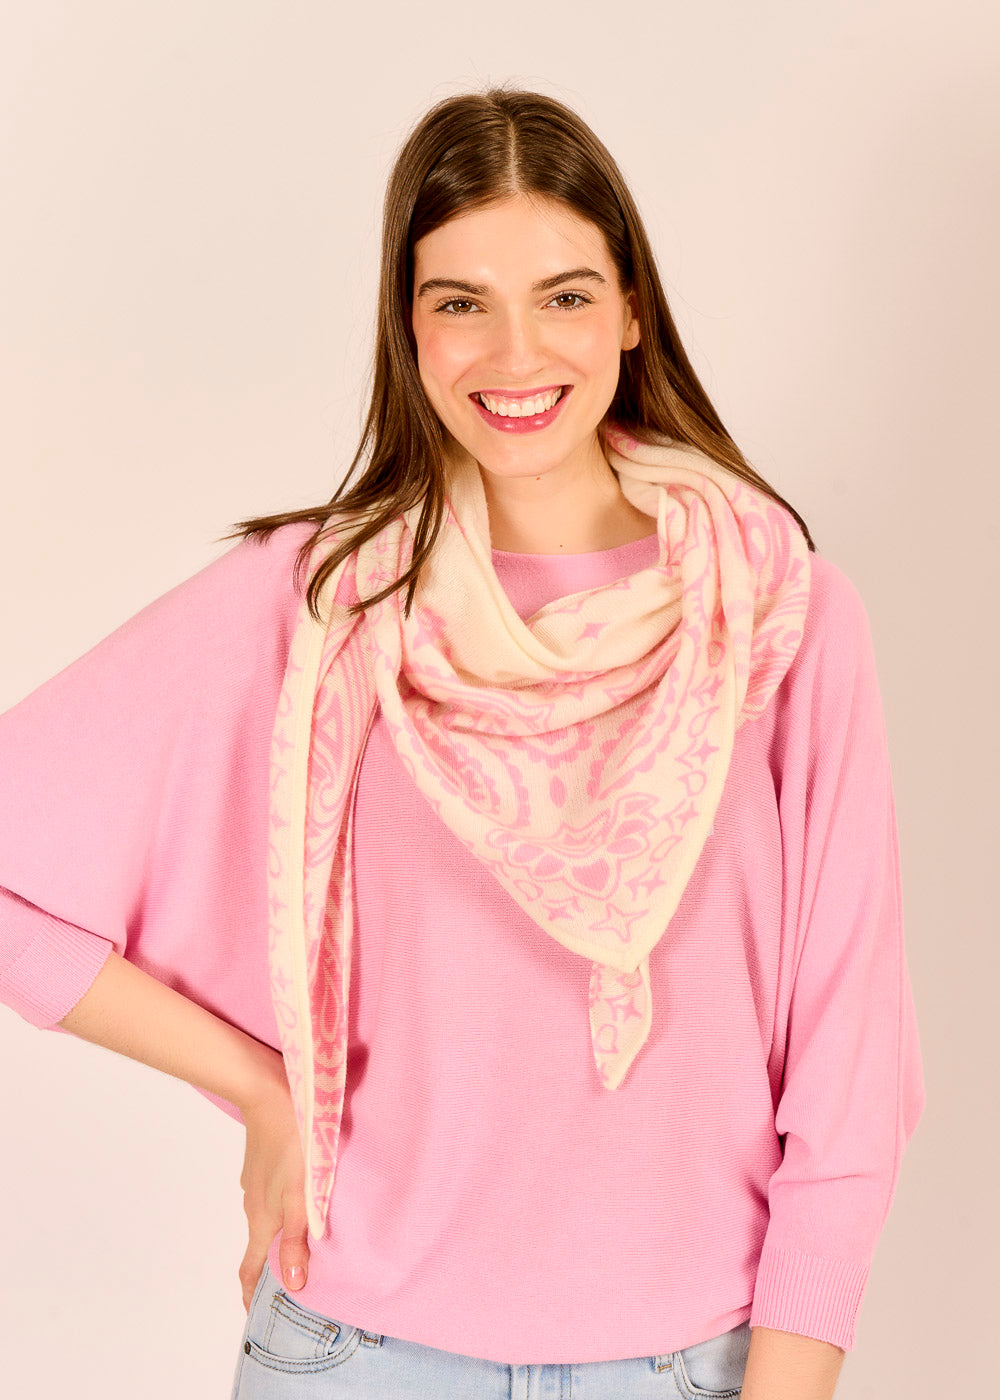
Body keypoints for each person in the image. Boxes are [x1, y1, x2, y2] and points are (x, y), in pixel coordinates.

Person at [0, 86, 925, 1400]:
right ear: (410, 328)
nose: (513, 351)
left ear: (631, 310)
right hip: (356, 1355)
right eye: (460, 302)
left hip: (690, 1365)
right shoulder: (323, 604)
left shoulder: (777, 614)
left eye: (563, 295)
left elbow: (850, 1073)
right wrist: (260, 1087)